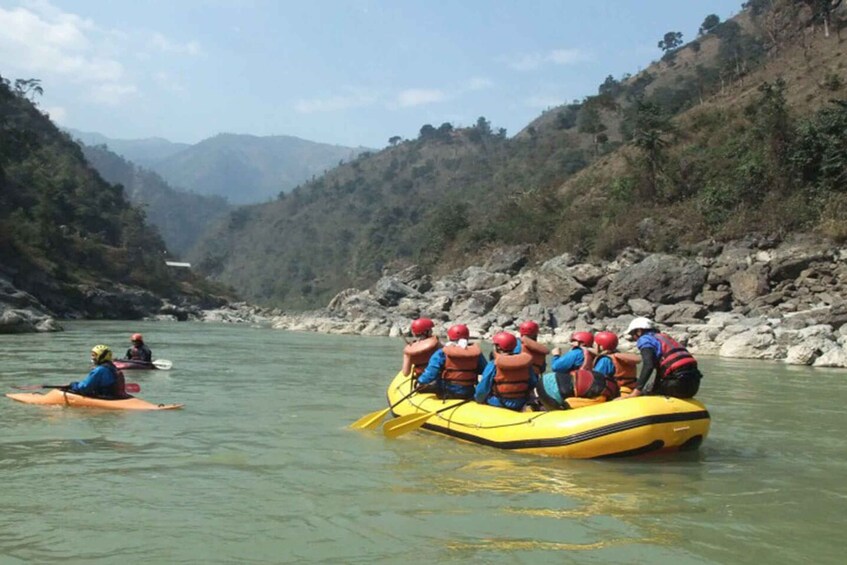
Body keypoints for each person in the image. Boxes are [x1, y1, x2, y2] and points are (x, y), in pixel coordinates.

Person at [618, 317, 702, 399]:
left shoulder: (645, 339)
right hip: (694, 385)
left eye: (633, 335)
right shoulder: (664, 337)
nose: (634, 338)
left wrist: (636, 391)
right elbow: (660, 371)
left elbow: (648, 365)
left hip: (677, 384)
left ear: (639, 331)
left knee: (646, 391)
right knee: (652, 388)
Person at [535, 331, 619, 410]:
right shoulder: (607, 356)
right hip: (577, 388)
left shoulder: (602, 359)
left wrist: (556, 356)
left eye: (574, 341)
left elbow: (556, 367)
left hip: (580, 389)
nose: (572, 343)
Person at [417, 324, 487, 399]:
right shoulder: (475, 353)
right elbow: (485, 371)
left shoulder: (442, 353)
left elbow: (431, 373)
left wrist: (420, 382)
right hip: (469, 392)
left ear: (449, 337)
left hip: (447, 392)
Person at [475, 332, 538, 411]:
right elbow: (533, 383)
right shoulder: (525, 364)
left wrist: (478, 400)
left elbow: (483, 389)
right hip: (521, 402)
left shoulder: (494, 364)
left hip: (498, 403)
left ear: (498, 347)